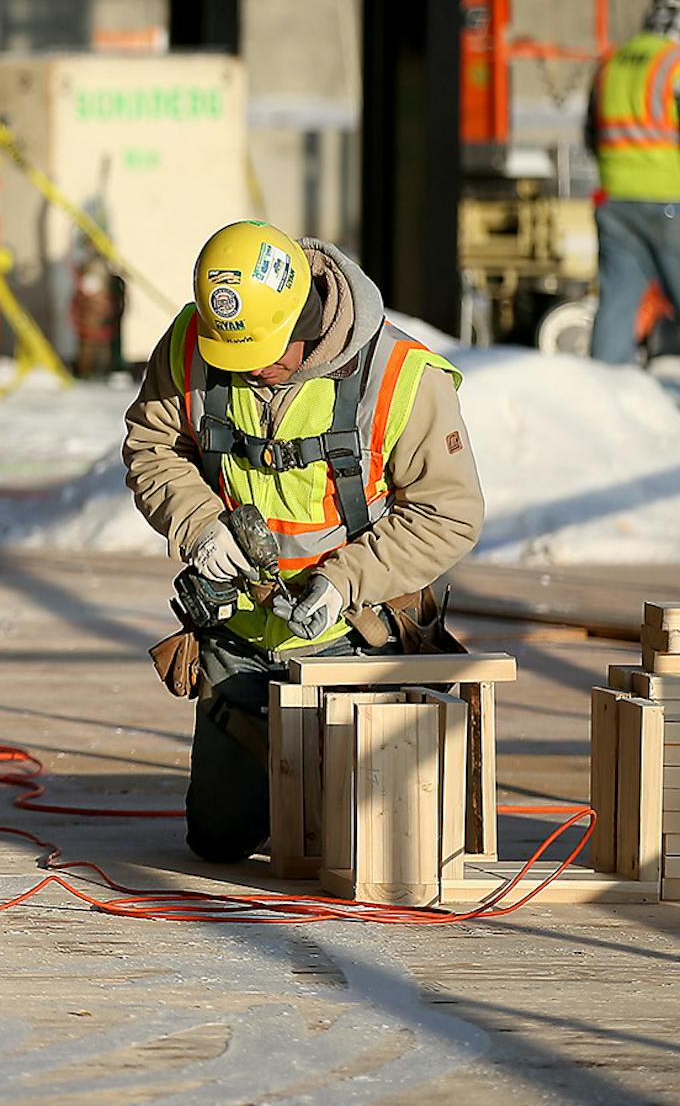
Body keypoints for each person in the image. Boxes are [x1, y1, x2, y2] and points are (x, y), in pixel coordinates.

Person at [122, 222, 485, 863]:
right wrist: (200, 521)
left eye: (261, 353)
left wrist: (346, 580)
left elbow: (449, 514)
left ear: (307, 317)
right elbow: (153, 448)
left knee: (351, 846)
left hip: (353, 637)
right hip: (240, 632)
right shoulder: (195, 342)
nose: (246, 372)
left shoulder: (401, 378)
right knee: (219, 841)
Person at [586, 0, 680, 365]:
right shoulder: (673, 62)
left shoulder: (615, 59)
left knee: (618, 304)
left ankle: (606, 393)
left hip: (616, 200)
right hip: (667, 201)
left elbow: (591, 133)